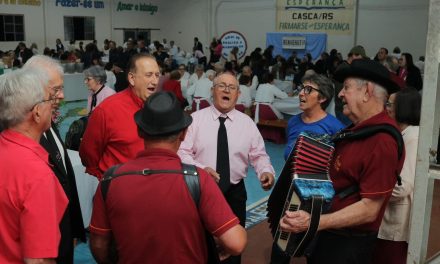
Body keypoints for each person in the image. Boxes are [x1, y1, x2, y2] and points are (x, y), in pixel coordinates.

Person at [89, 91, 247, 263]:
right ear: (184, 133)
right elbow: (235, 243)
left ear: (140, 131)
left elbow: (99, 245)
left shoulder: (110, 180)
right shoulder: (198, 179)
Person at [278, 59, 404, 264]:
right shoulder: (355, 131)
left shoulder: (382, 141)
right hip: (330, 235)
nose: (340, 94)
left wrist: (314, 222)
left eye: (346, 88)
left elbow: (369, 210)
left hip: (347, 245)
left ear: (367, 91)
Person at [178, 73, 275, 264]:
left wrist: (266, 171)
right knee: (200, 244)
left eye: (232, 87)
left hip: (234, 193)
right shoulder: (195, 120)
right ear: (212, 91)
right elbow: (181, 152)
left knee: (233, 248)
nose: (226, 90)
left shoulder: (247, 123)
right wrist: (201, 168)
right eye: (221, 85)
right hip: (201, 190)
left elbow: (259, 154)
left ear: (238, 94)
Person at [0, 68, 68, 263]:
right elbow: (38, 259)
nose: (55, 104)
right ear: (37, 112)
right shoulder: (36, 174)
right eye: (49, 99)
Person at [24, 55, 86, 264]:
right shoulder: (16, 134)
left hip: (63, 233)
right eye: (56, 89)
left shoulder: (48, 121)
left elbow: (66, 176)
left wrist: (75, 227)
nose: (62, 95)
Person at [79, 54, 160, 179]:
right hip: (120, 188)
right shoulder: (107, 110)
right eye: (149, 75)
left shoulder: (160, 107)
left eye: (157, 75)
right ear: (132, 78)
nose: (155, 81)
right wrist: (109, 180)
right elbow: (88, 153)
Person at [373, 88, 421, 264]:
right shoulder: (401, 134)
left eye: (390, 104)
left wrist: (371, 193)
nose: (386, 108)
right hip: (388, 216)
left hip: (396, 221)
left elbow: (403, 186)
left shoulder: (413, 138)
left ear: (404, 108)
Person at [283, 73, 345, 160]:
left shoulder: (336, 128)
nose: (301, 93)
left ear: (322, 98)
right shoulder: (293, 122)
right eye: (302, 88)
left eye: (308, 89)